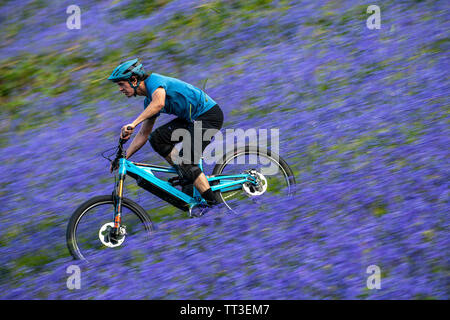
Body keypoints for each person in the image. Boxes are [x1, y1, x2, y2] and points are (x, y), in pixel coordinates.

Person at [108, 58, 223, 207]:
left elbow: (159, 103)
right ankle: (186, 174)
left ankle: (215, 205)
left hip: (208, 116)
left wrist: (133, 123)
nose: (120, 89)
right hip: (191, 119)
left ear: (134, 80)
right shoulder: (148, 101)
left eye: (121, 84)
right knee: (157, 138)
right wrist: (123, 157)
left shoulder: (155, 82)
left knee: (187, 160)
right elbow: (143, 134)